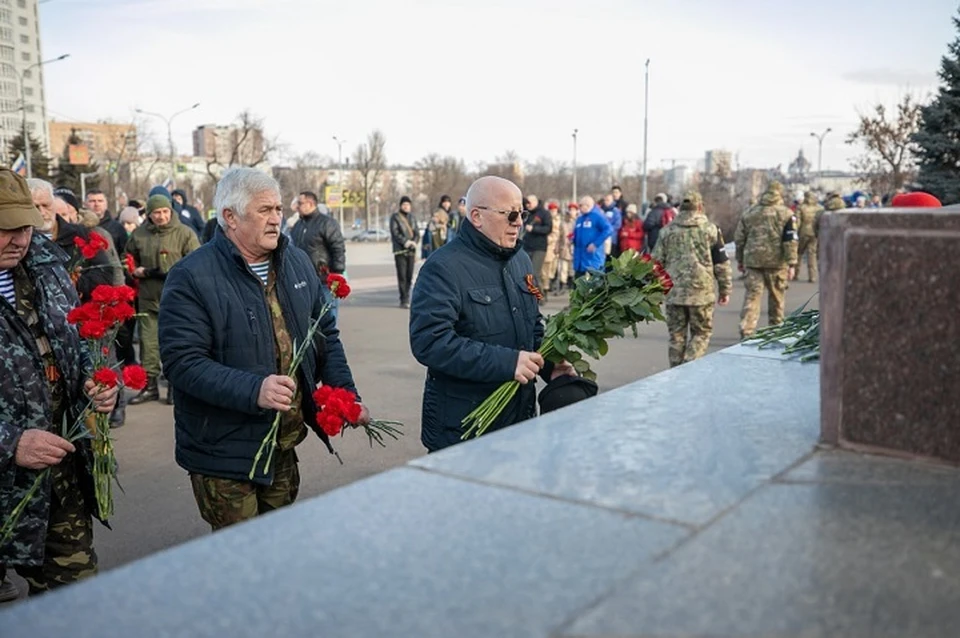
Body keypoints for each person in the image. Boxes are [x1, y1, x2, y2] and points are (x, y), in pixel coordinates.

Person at [158, 167, 368, 531]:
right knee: (240, 563)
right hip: (225, 453)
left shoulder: (295, 262)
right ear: (230, 217)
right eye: (264, 211)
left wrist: (346, 396)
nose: (276, 220)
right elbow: (182, 363)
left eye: (278, 210)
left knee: (277, 551)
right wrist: (253, 389)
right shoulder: (192, 276)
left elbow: (325, 337)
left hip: (282, 446)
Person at [0, 167, 118, 596]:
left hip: (56, 472)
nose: (20, 239)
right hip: (8, 473)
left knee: (74, 595)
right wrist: (10, 443)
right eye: (6, 228)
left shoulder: (48, 266)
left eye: (26, 227)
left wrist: (97, 382)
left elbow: (78, 340)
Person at [409, 176, 574, 452]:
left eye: (522, 214)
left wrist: (550, 365)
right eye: (510, 215)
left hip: (519, 422)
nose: (519, 222)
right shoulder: (443, 267)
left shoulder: (520, 260)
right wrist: (508, 363)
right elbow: (430, 342)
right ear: (476, 216)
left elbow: (532, 326)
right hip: (464, 430)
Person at [126, 193, 200, 405]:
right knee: (149, 345)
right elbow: (128, 258)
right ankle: (150, 387)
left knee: (176, 344)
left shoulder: (185, 233)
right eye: (156, 212)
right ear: (149, 214)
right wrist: (134, 271)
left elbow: (196, 262)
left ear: (171, 211)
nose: (161, 216)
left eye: (165, 211)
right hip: (149, 298)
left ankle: (176, 387)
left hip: (178, 300)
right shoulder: (139, 235)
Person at [652, 192, 733, 367]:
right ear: (700, 206)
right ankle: (690, 364)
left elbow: (656, 264)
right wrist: (725, 289)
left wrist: (655, 291)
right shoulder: (711, 230)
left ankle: (675, 372)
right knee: (702, 333)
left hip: (674, 292)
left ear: (680, 207)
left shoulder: (667, 231)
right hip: (701, 293)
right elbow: (721, 263)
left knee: (676, 337)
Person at [734, 182, 799, 339]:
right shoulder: (787, 214)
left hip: (753, 261)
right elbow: (790, 240)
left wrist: (740, 259)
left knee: (752, 297)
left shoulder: (750, 213)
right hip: (777, 263)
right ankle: (775, 330)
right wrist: (791, 263)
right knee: (777, 298)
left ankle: (747, 329)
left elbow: (739, 238)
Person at [289, 191, 346, 277]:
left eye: (300, 203)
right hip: (302, 278)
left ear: (310, 204)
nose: (297, 207)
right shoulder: (298, 225)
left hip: (323, 279)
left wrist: (337, 273)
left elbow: (338, 248)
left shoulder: (327, 223)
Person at [572, 196, 613, 278]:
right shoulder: (580, 219)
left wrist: (595, 244)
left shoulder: (597, 216)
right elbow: (577, 234)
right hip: (580, 257)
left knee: (595, 282)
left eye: (580, 206)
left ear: (587, 205)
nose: (579, 208)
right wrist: (572, 240)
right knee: (578, 283)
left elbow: (608, 229)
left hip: (593, 257)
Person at [389, 196, 419, 309]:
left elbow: (416, 232)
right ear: (401, 206)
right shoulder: (395, 217)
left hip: (411, 250)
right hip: (400, 250)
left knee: (409, 275)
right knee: (402, 275)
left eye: (408, 205)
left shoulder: (412, 217)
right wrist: (405, 242)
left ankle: (407, 296)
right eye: (404, 205)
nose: (406, 207)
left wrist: (414, 242)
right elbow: (395, 232)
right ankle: (403, 299)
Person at [521, 195, 552, 296]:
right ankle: (530, 293)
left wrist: (534, 229)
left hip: (539, 247)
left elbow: (548, 228)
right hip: (526, 246)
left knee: (535, 272)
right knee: (526, 272)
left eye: (529, 203)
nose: (528, 205)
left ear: (535, 202)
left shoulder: (544, 213)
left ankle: (540, 294)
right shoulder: (526, 214)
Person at [84, 189, 126, 254]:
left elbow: (124, 253)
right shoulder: (79, 226)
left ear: (106, 204)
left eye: (100, 201)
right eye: (92, 201)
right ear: (85, 204)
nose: (97, 204)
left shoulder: (117, 228)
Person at [794, 191, 824, 282]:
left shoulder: (801, 208)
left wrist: (795, 232)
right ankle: (812, 276)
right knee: (812, 255)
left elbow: (797, 222)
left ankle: (796, 273)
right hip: (814, 233)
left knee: (798, 253)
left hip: (803, 232)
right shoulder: (820, 208)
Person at [541, 201, 562, 296]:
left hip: (558, 245)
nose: (553, 211)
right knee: (546, 266)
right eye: (552, 210)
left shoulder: (559, 219)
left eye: (555, 210)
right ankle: (545, 287)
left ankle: (550, 283)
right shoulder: (547, 219)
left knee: (554, 267)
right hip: (549, 245)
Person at [556, 203, 577, 290]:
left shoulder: (578, 222)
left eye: (573, 210)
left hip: (574, 248)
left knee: (571, 268)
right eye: (570, 210)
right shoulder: (563, 223)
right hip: (564, 248)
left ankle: (571, 284)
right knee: (563, 268)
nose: (571, 212)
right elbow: (559, 236)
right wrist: (557, 246)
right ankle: (562, 285)